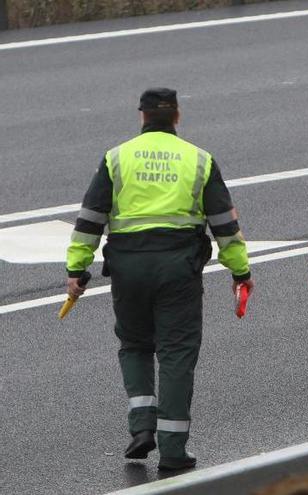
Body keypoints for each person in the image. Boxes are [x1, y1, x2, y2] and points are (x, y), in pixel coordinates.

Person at [65, 88, 254, 471]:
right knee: (176, 353)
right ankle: (172, 449)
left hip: (128, 268)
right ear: (177, 117)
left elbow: (90, 218)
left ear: (142, 117)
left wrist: (76, 269)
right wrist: (240, 271)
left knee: (134, 344)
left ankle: (141, 427)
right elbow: (224, 225)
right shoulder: (199, 160)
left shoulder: (116, 158)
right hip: (177, 268)